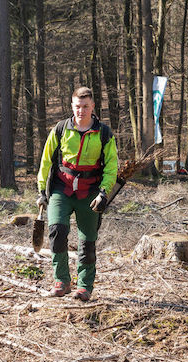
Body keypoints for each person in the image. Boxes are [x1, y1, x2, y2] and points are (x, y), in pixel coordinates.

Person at [36, 87, 118, 302]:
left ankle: (84, 286)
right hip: (61, 189)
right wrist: (41, 190)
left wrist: (104, 193)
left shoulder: (104, 133)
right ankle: (61, 281)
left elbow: (111, 165)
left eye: (85, 106)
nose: (81, 111)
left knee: (87, 242)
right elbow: (46, 160)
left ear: (92, 107)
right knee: (57, 232)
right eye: (77, 107)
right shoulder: (61, 129)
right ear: (72, 107)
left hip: (90, 193)